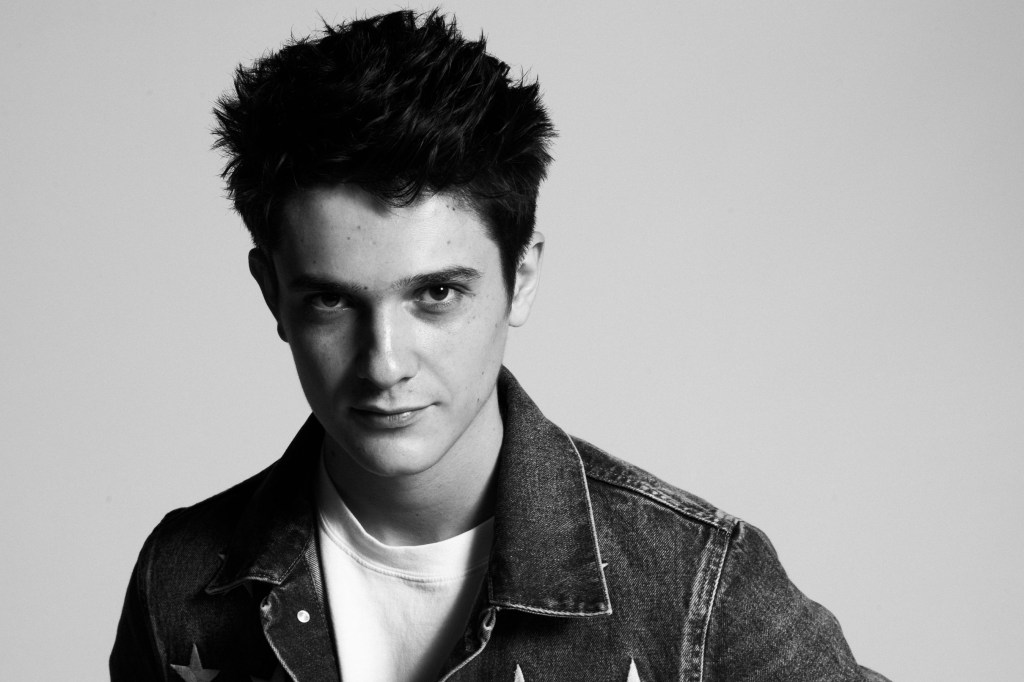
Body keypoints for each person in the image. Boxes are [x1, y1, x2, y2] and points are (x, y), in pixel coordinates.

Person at [111, 9, 889, 682]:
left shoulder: (693, 586)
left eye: (436, 295)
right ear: (271, 293)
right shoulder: (181, 583)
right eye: (331, 301)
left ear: (521, 279)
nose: (385, 363)